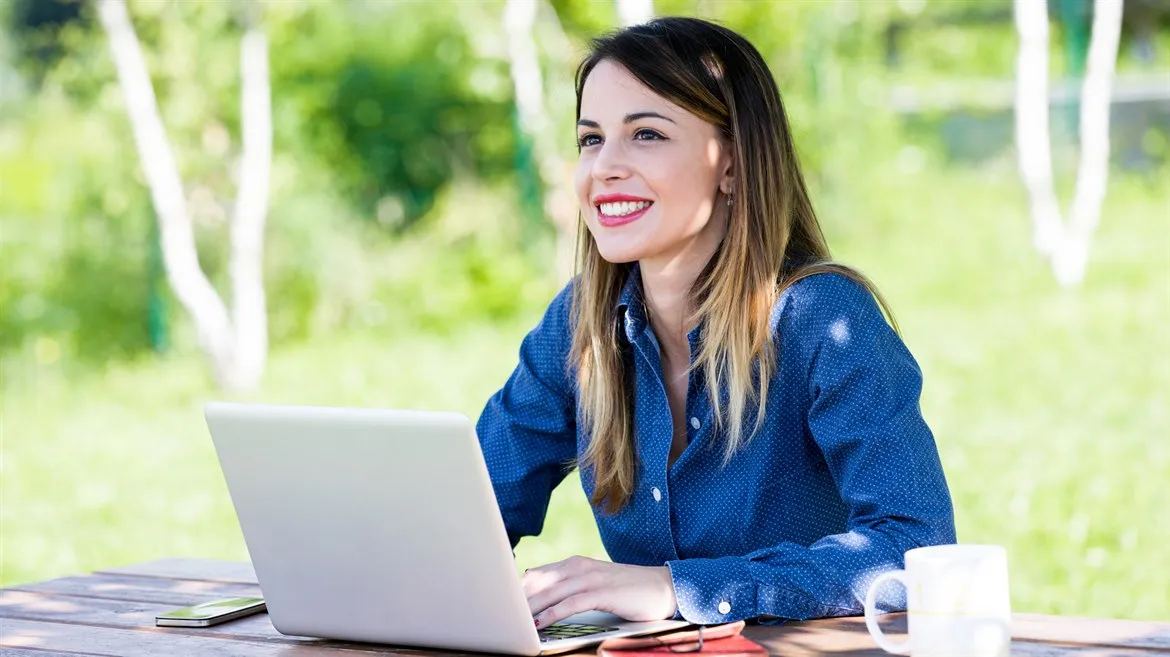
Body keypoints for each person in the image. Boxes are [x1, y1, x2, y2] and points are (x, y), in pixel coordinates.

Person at [475, 16, 956, 629]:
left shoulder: (824, 320)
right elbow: (471, 514)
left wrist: (679, 589)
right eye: (591, 139)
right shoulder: (581, 327)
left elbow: (918, 551)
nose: (605, 168)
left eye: (646, 134)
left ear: (731, 163)